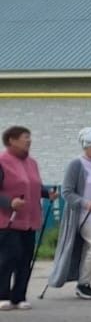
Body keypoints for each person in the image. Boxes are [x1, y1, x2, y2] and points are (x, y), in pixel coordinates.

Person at [46, 127, 91, 299]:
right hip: (82, 215)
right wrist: (85, 203)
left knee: (90, 249)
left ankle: (86, 283)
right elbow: (67, 192)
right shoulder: (76, 165)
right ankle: (82, 283)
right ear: (86, 146)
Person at [0, 125, 56, 310]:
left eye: (29, 137)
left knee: (25, 258)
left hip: (30, 219)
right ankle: (3, 295)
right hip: (8, 219)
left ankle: (20, 296)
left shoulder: (32, 163)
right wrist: (10, 202)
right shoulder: (2, 161)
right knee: (9, 257)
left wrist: (47, 194)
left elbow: (34, 186)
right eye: (25, 137)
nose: (29, 141)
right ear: (12, 140)